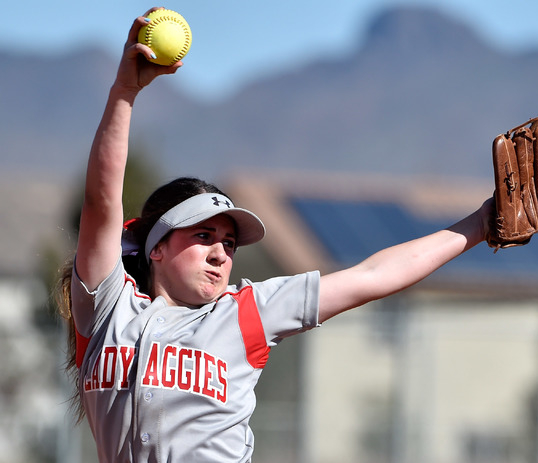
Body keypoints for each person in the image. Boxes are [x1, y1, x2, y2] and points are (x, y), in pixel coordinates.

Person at [56, 8, 494, 463]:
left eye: (228, 243)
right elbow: (101, 202)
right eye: (203, 235)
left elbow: (373, 276)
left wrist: (479, 224)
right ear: (158, 247)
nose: (221, 254)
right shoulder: (107, 309)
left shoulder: (245, 315)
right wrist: (125, 93)